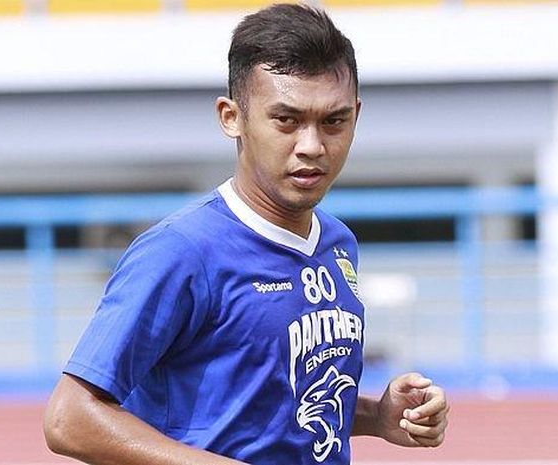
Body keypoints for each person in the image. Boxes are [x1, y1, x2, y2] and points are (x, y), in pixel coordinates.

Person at [44, 3, 449, 465]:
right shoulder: (181, 252)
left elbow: (276, 400)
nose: (312, 146)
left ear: (356, 115)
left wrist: (378, 416)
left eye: (333, 121)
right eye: (286, 120)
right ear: (231, 117)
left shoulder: (338, 243)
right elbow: (69, 418)